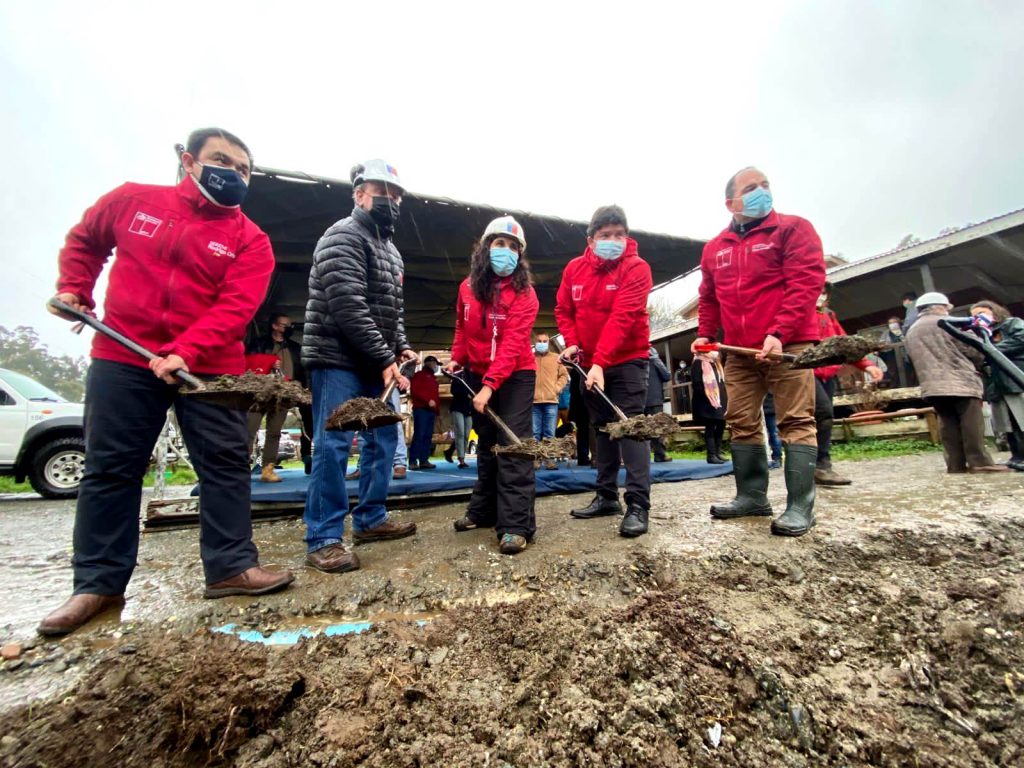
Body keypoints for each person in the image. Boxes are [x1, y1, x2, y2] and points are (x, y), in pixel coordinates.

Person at [39, 127, 295, 636]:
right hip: (123, 355)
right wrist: (74, 289)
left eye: (244, 170)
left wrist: (186, 351)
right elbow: (85, 242)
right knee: (111, 467)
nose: (234, 175)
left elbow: (235, 308)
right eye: (222, 161)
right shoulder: (133, 201)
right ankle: (98, 583)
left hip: (210, 365)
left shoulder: (250, 240)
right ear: (189, 161)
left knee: (224, 462)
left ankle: (230, 567)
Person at [693, 166, 826, 537]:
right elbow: (708, 297)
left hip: (788, 345)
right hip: (738, 351)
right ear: (730, 202)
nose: (762, 191)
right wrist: (706, 337)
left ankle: (801, 506)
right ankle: (752, 495)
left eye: (765, 185)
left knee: (796, 419)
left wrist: (779, 331)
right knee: (741, 420)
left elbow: (806, 281)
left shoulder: (793, 228)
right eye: (752, 187)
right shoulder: (715, 248)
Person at [301, 158, 419, 575]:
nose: (391, 199)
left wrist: (400, 347)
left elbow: (392, 312)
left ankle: (371, 518)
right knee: (333, 444)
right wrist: (385, 357)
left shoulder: (392, 252)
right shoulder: (343, 236)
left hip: (374, 360)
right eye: (382, 190)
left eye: (396, 193)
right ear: (359, 194)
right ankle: (324, 536)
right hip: (337, 358)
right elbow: (348, 307)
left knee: (383, 438)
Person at [556, 205, 654, 538]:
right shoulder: (574, 269)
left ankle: (638, 503)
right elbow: (563, 309)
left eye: (619, 235)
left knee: (629, 427)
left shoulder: (637, 268)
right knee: (602, 428)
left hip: (627, 358)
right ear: (591, 239)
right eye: (605, 235)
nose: (613, 241)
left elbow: (623, 318)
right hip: (588, 363)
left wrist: (600, 361)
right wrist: (571, 343)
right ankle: (606, 496)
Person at [445, 216, 539, 554]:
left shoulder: (526, 294)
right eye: (500, 244)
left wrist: (489, 386)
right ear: (486, 247)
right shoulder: (467, 287)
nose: (507, 252)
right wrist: (458, 357)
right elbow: (461, 326)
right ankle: (483, 511)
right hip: (477, 371)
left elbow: (513, 345)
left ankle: (516, 525)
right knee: (485, 445)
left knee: (512, 446)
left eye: (514, 247)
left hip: (515, 375)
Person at [904, 292, 1007, 474]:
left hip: (932, 384)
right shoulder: (950, 323)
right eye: (946, 307)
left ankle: (955, 464)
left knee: (947, 423)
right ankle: (979, 462)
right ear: (940, 307)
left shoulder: (912, 330)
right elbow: (974, 349)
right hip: (961, 380)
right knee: (971, 422)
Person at [813, 283, 883, 485]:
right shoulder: (798, 312)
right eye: (818, 291)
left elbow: (844, 344)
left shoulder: (828, 315)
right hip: (805, 371)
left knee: (825, 417)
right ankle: (814, 465)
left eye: (824, 293)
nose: (821, 296)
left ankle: (822, 465)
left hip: (827, 373)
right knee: (820, 412)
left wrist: (867, 365)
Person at [246, 312, 307, 483]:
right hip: (259, 394)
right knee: (249, 430)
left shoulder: (295, 348)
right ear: (274, 325)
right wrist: (267, 361)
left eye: (290, 326)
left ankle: (268, 469)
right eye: (284, 325)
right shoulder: (259, 344)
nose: (288, 329)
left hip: (283, 395)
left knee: (274, 432)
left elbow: (301, 371)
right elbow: (249, 363)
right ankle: (241, 467)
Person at [970, 301, 1024, 471]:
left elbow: (1021, 339)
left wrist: (991, 350)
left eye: (982, 312)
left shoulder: (1013, 323)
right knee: (1007, 424)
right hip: (996, 383)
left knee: (1021, 420)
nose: (979, 317)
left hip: (1015, 378)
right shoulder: (982, 333)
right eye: (975, 315)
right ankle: (1017, 456)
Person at [347, 386, 409, 480]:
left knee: (394, 421)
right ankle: (363, 465)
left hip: (390, 381)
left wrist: (404, 376)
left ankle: (399, 464)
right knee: (363, 422)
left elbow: (408, 370)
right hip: (364, 379)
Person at [532, 331, 569, 469]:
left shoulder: (556, 358)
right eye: (539, 341)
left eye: (544, 341)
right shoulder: (530, 358)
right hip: (534, 402)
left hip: (551, 401)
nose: (542, 343)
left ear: (548, 343)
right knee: (535, 433)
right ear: (535, 343)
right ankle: (535, 460)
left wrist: (557, 388)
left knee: (549, 433)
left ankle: (549, 460)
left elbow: (564, 375)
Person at [691, 350, 728, 464]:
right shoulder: (698, 362)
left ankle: (718, 452)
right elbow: (697, 383)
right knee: (710, 426)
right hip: (707, 400)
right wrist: (708, 397)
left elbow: (721, 382)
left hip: (719, 400)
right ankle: (711, 455)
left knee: (721, 424)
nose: (716, 353)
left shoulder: (715, 363)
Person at [409, 356, 441, 469]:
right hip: (421, 409)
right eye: (435, 363)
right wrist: (427, 401)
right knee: (419, 434)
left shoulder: (433, 378)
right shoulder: (419, 375)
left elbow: (436, 397)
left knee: (427, 436)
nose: (436, 366)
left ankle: (424, 460)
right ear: (429, 363)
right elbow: (415, 390)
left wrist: (437, 411)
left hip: (431, 411)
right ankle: (412, 460)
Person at [645, 346, 672, 462]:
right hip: (654, 398)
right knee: (657, 427)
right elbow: (667, 376)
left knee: (644, 427)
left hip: (640, 398)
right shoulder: (655, 360)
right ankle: (660, 454)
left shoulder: (636, 361)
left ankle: (645, 455)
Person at [443, 374, 473, 469]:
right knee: (460, 433)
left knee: (467, 434)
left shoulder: (472, 377)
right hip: (457, 407)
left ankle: (452, 453)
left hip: (468, 409)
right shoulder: (457, 377)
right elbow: (454, 391)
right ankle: (461, 459)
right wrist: (467, 394)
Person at [763, 394, 783, 469]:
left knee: (774, 434)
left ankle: (776, 458)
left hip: (770, 408)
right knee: (774, 434)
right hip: (764, 408)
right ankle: (775, 459)